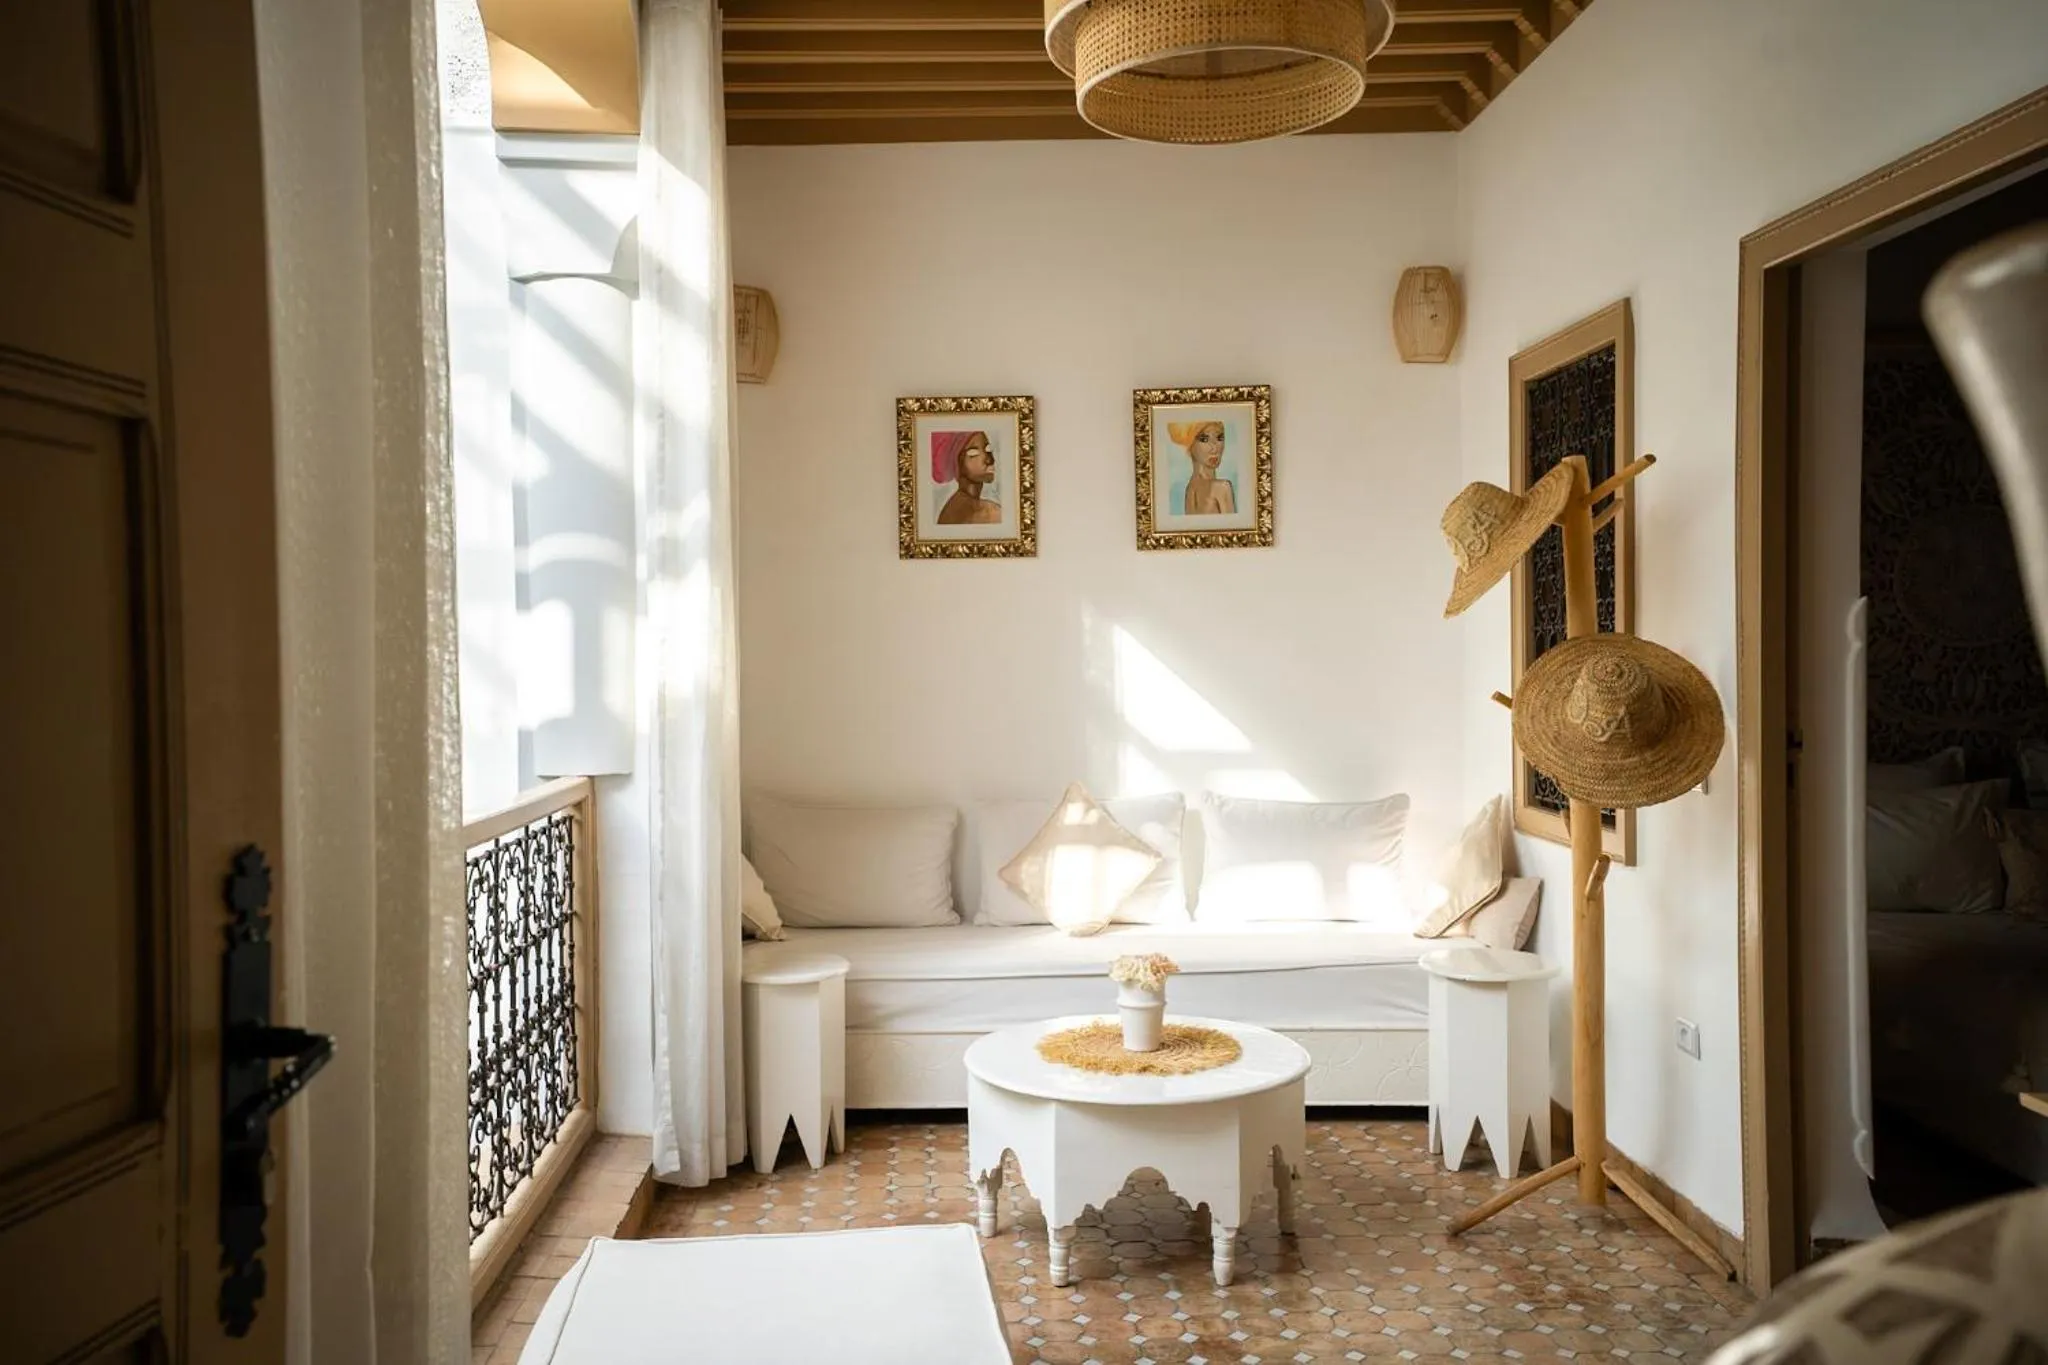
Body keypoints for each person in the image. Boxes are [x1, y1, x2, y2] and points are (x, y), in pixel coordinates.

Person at [932, 430, 1002, 525]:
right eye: (973, 453)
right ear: (958, 463)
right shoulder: (989, 512)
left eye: (988, 450)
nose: (989, 460)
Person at [1169, 420, 1236, 516]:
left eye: (1219, 438)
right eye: (1204, 439)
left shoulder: (1190, 489)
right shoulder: (1222, 488)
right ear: (1190, 444)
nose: (1215, 448)